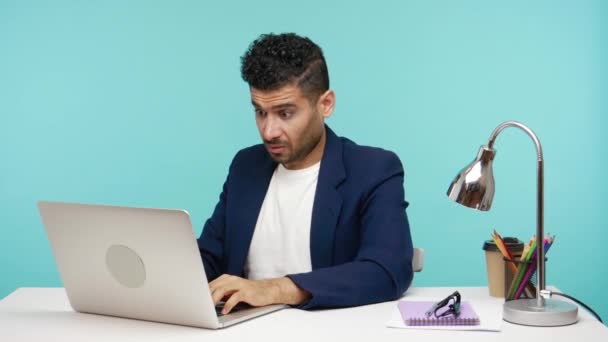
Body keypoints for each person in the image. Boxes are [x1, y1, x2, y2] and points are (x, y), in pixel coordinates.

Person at [197, 33, 413, 315]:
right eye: (260, 112)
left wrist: (274, 289)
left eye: (285, 113)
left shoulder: (373, 169)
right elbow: (210, 255)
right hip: (241, 329)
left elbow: (386, 270)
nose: (268, 131)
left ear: (325, 104)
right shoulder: (245, 166)